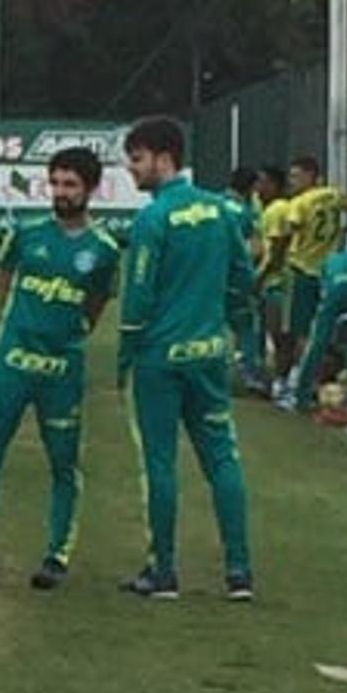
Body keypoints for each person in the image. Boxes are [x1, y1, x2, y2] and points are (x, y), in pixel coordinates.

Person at [0, 147, 120, 591]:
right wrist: (21, 334)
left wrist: (64, 337)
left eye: (71, 185)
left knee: (63, 463)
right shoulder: (26, 234)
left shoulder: (104, 250)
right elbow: (4, 286)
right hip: (10, 365)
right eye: (56, 183)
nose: (61, 193)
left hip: (62, 371)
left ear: (91, 189)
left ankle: (57, 555)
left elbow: (94, 308)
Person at [117, 116, 255, 601]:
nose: (132, 172)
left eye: (135, 160)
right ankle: (239, 574)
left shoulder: (152, 219)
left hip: (160, 357)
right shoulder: (221, 211)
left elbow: (137, 297)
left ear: (162, 156)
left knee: (160, 461)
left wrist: (124, 355)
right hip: (210, 353)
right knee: (223, 457)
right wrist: (237, 331)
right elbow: (243, 278)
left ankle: (164, 572)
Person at [259, 158, 347, 411]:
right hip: (327, 271)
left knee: (298, 331)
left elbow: (287, 236)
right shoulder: (332, 195)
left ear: (311, 176)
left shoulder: (299, 204)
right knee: (320, 330)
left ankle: (295, 385)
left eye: (297, 177)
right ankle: (314, 383)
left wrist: (269, 267)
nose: (293, 182)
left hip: (301, 270)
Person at [288, 248, 347, 417]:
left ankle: (301, 396)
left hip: (337, 290)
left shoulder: (326, 264)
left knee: (317, 342)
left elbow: (323, 293)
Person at [220, 167, 267, 395]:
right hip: (235, 278)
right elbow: (256, 249)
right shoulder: (245, 213)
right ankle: (251, 375)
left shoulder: (214, 204)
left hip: (209, 276)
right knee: (246, 327)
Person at [253, 167, 294, 395]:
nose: (258, 189)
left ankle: (283, 382)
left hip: (279, 281)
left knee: (281, 334)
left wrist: (260, 275)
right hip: (274, 281)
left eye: (263, 183)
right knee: (276, 332)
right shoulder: (267, 210)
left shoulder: (278, 209)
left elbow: (277, 248)